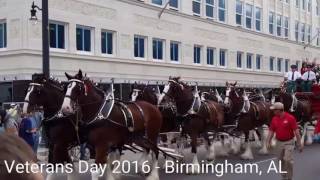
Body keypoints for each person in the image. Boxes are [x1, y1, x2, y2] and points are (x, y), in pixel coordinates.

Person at [267, 102, 303, 180]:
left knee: (287, 160)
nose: (273, 112)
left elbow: (296, 132)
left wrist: (300, 144)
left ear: (279, 110)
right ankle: (284, 177)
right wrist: (268, 141)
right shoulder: (274, 119)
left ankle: (289, 178)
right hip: (279, 142)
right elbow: (271, 131)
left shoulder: (290, 118)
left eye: (274, 110)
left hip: (289, 142)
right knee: (280, 161)